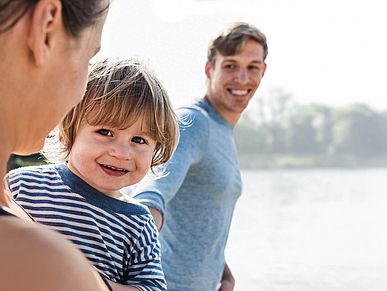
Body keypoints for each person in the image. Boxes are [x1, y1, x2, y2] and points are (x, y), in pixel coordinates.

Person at [7, 58, 178, 290]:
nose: (121, 153)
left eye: (139, 140)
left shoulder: (137, 222)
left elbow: (152, 287)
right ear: (69, 130)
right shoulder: (22, 185)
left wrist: (93, 284)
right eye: (105, 132)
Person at [132, 22, 268, 291]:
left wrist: (223, 271)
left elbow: (198, 221)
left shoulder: (221, 130)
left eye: (252, 67)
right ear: (210, 69)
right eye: (230, 65)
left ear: (262, 71)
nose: (242, 78)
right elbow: (150, 196)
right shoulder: (194, 123)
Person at [0, 0, 113, 290]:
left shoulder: (13, 200)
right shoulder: (48, 270)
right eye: (89, 58)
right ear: (46, 29)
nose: (83, 90)